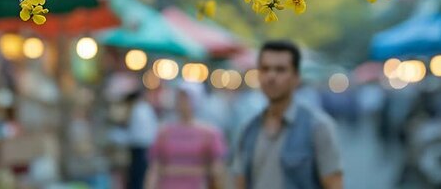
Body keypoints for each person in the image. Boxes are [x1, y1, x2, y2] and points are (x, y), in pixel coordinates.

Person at [232, 40, 344, 189]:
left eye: (280, 70)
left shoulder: (317, 127)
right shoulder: (249, 128)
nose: (271, 76)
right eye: (265, 69)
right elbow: (240, 182)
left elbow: (334, 184)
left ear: (296, 77)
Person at [144, 82, 227, 189]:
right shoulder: (164, 132)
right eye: (180, 98)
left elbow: (217, 169)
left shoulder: (210, 133)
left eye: (186, 98)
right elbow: (154, 168)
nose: (182, 102)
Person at [110, 89, 158, 189]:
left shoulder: (137, 109)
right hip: (145, 147)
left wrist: (115, 136)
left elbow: (133, 134)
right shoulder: (145, 108)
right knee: (140, 176)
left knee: (136, 177)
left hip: (139, 148)